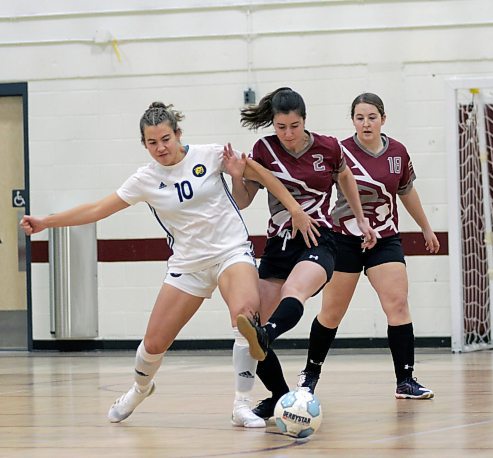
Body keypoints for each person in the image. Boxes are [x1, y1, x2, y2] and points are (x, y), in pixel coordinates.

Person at [20, 101, 318, 428]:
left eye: (166, 138)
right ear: (144, 144)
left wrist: (295, 209)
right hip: (188, 265)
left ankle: (241, 404)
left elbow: (264, 175)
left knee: (245, 318)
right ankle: (140, 388)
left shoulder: (212, 154)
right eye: (152, 142)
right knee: (153, 344)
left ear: (178, 134)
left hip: (231, 252)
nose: (160, 148)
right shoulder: (144, 179)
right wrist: (46, 222)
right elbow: (96, 209)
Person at [224, 87, 377, 419]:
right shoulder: (263, 149)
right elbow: (244, 199)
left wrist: (361, 220)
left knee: (293, 293)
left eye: (294, 126)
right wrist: (237, 177)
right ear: (273, 125)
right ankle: (280, 396)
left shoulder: (328, 147)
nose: (288, 134)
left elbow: (346, 178)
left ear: (304, 121)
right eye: (281, 127)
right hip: (279, 244)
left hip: (319, 238)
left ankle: (265, 336)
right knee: (252, 323)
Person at [296, 92, 440, 399]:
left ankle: (406, 380)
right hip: (344, 240)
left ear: (383, 119)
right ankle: (310, 374)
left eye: (372, 117)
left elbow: (407, 191)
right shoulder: (340, 151)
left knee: (397, 304)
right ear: (352, 121)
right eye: (359, 118)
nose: (366, 123)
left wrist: (426, 227)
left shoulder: (397, 152)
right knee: (332, 313)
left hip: (385, 239)